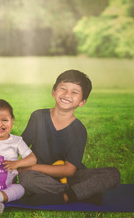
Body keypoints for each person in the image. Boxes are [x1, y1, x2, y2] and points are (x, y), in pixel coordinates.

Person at [18, 69, 121, 206]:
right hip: (40, 177)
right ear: (54, 91)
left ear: (82, 101)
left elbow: (69, 170)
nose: (67, 94)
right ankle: (81, 194)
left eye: (74, 92)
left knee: (113, 174)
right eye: (63, 88)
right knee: (27, 179)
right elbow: (18, 146)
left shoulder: (79, 130)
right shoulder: (38, 116)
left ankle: (64, 197)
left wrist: (33, 167)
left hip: (69, 177)